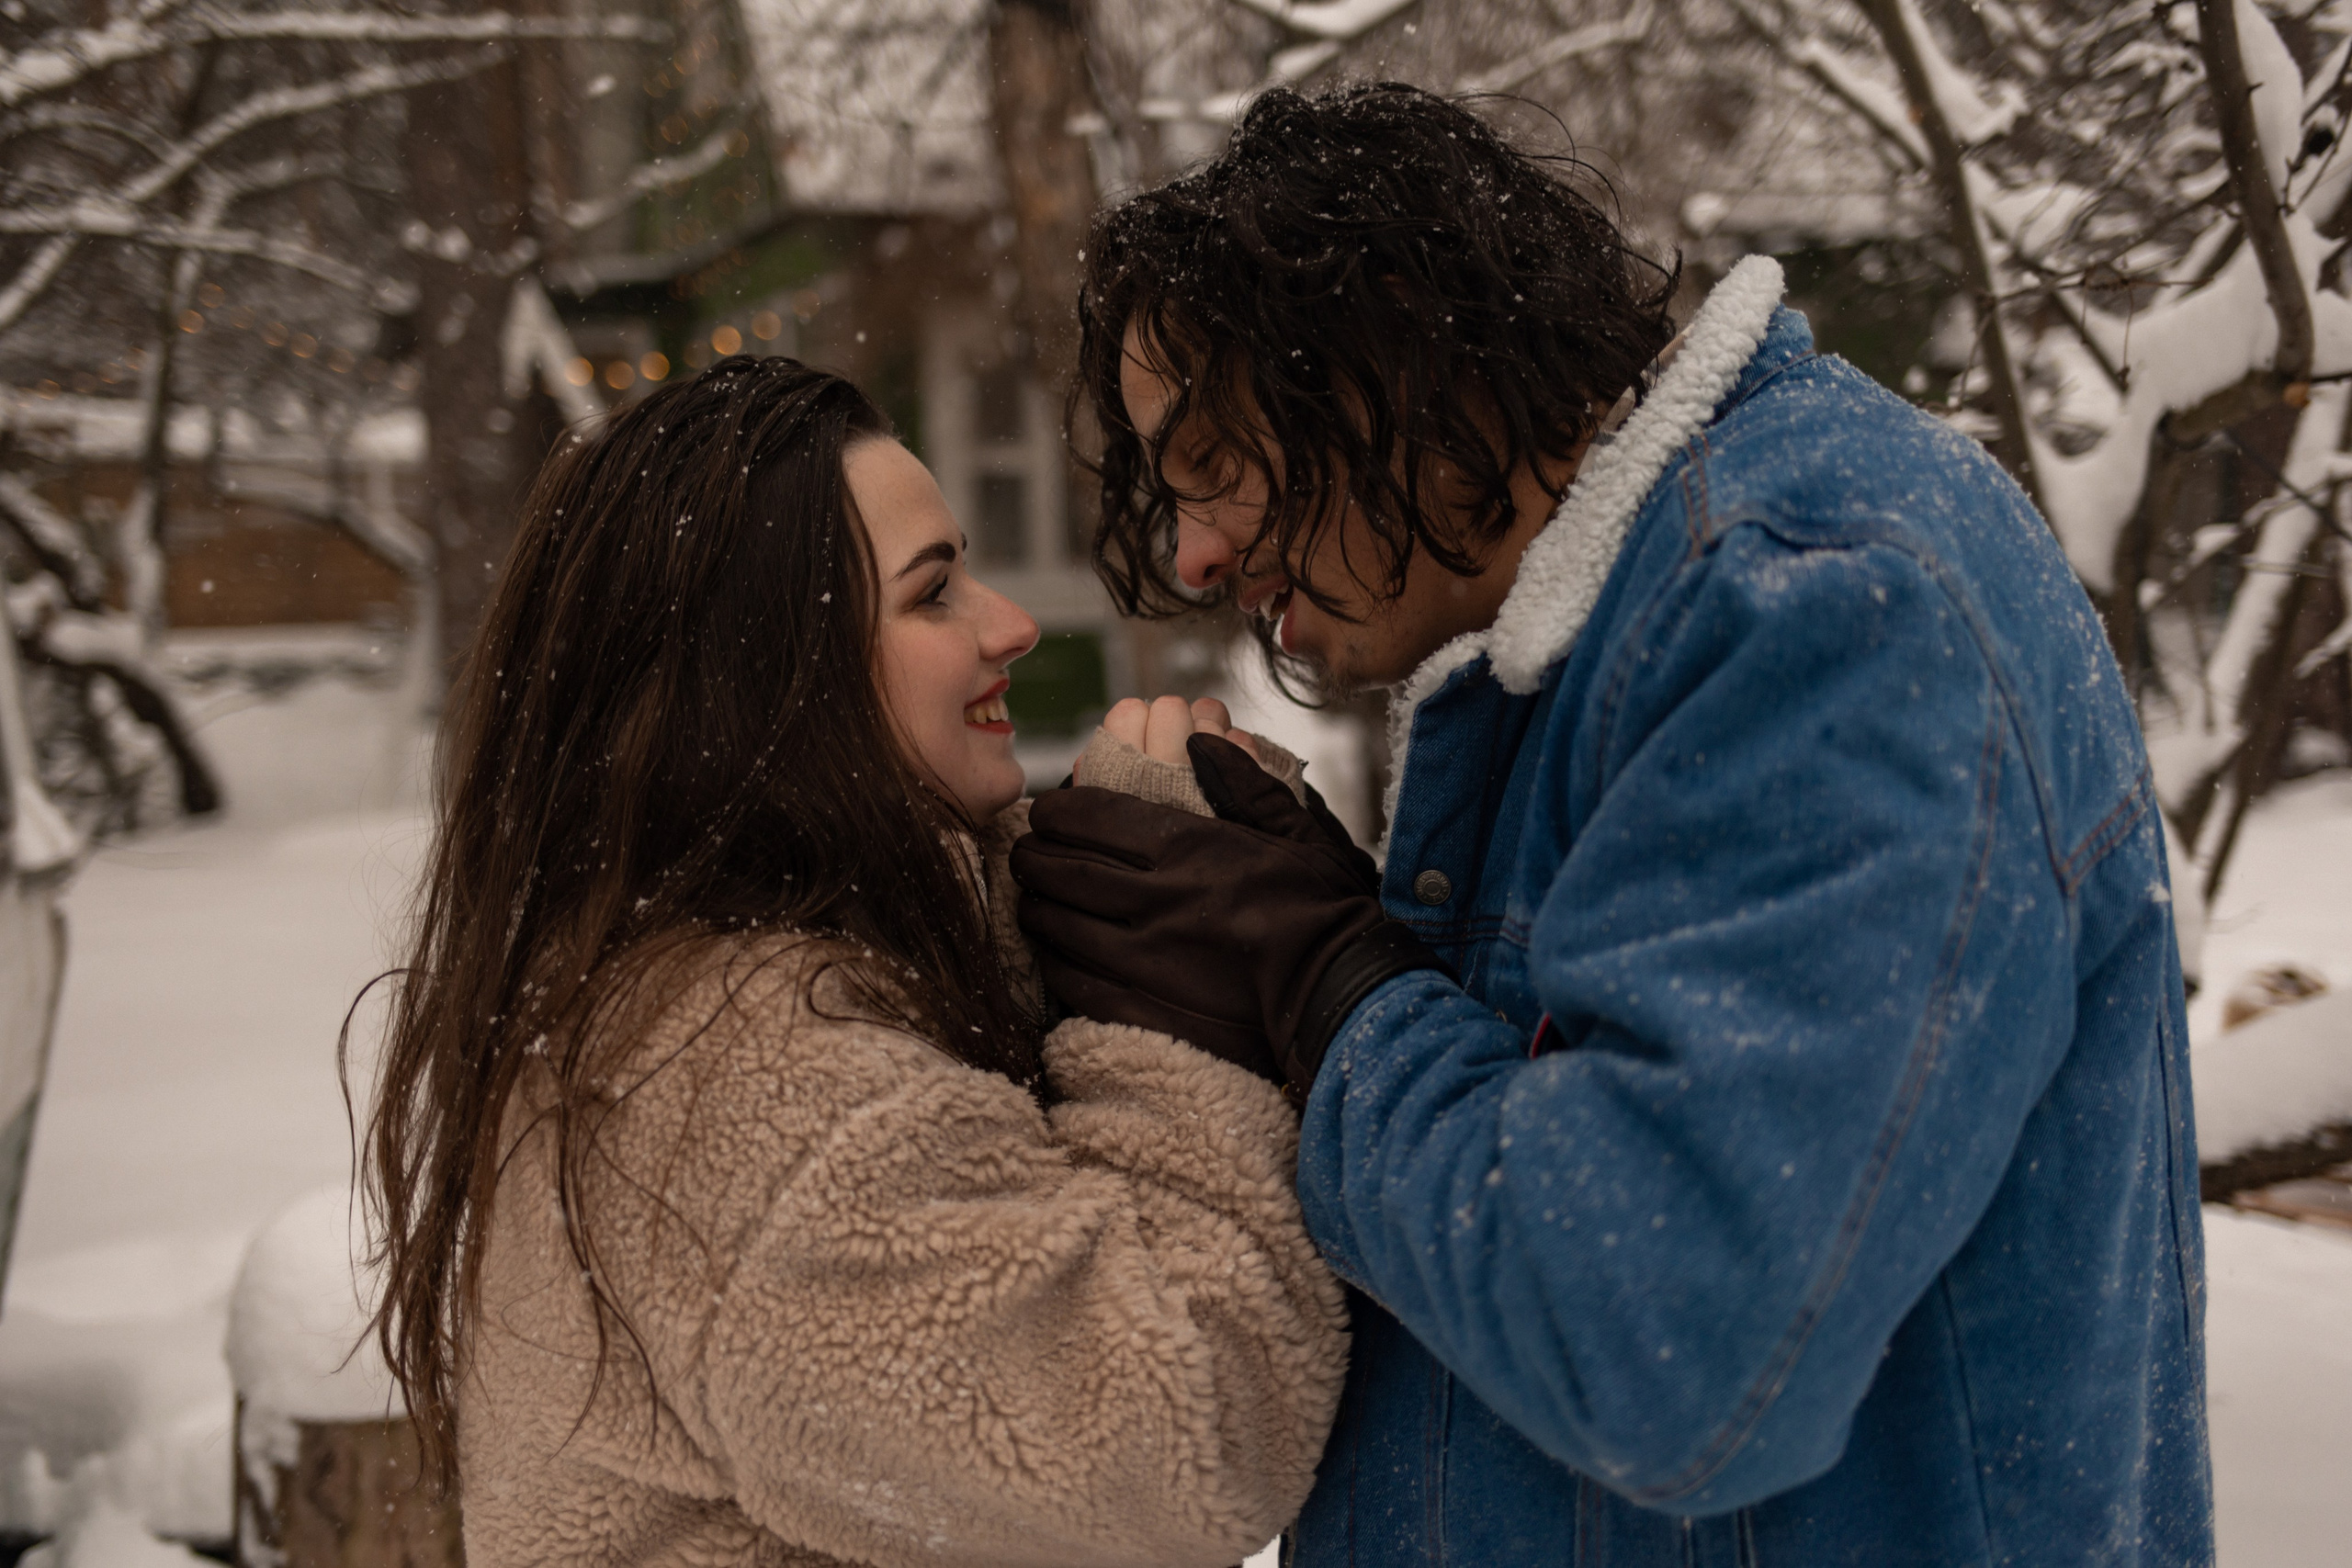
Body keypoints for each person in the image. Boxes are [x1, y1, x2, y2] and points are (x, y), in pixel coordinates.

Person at [1012, 84, 2211, 1566]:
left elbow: (1676, 1347)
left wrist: (1326, 984)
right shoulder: (1609, 640)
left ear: (1397, 346)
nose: (1196, 552)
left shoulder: (1826, 599)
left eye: (1216, 461)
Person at [356, 356, 1349, 1568]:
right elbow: (1184, 1443)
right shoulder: (743, 1092)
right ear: (768, 675)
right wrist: (1171, 997)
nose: (1010, 624)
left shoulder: (764, 981)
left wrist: (1174, 862)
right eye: (934, 596)